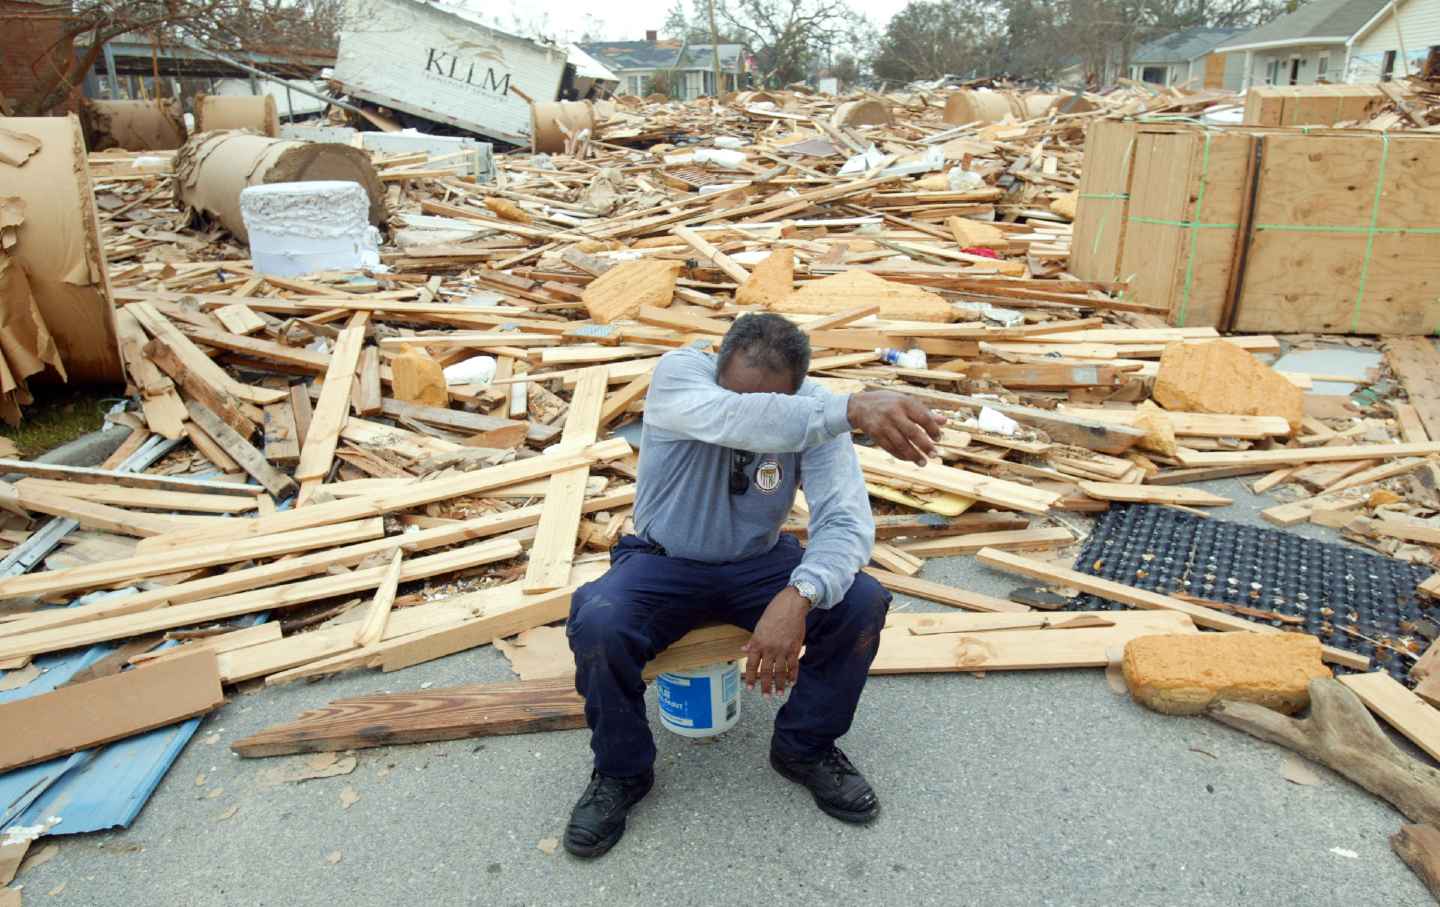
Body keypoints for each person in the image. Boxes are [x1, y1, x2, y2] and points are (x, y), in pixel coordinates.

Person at [563, 312, 945, 858]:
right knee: (599, 619)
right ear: (717, 364)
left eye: (779, 401)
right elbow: (733, 417)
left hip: (756, 563)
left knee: (860, 602)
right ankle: (622, 772)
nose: (753, 407)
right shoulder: (681, 376)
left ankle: (804, 748)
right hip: (664, 560)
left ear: (796, 390)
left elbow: (846, 522)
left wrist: (800, 594)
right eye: (735, 389)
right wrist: (848, 409)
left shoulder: (816, 411)